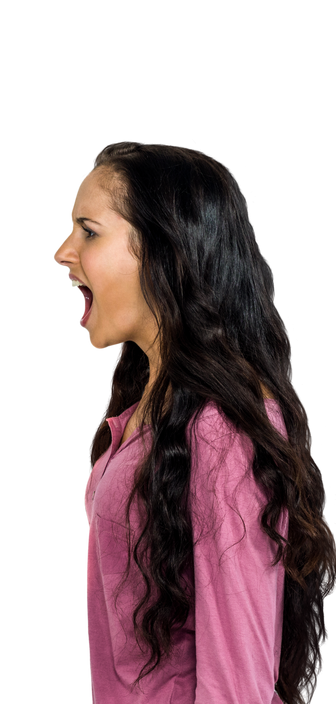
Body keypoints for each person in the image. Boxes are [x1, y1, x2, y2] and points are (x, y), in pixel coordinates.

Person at [53, 138, 336, 704]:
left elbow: (237, 687)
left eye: (88, 230)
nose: (62, 252)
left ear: (163, 250)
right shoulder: (142, 421)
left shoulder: (221, 430)